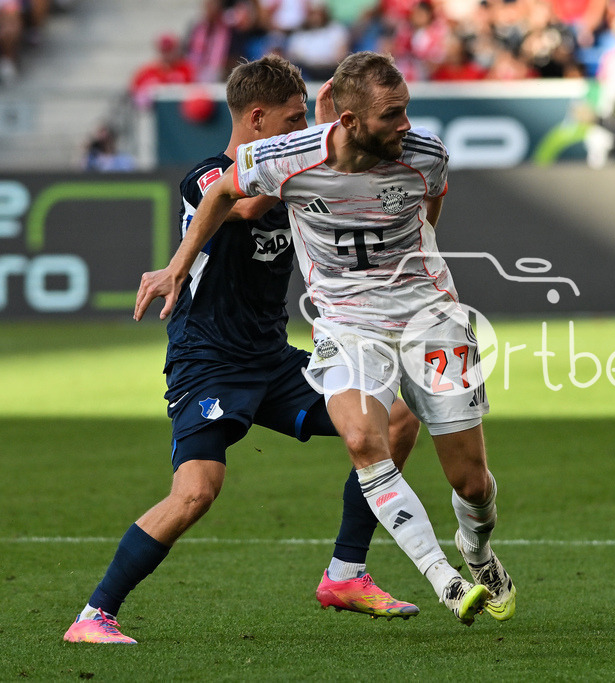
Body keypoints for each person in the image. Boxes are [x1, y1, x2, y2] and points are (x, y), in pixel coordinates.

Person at [133, 51, 516, 626]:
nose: (406, 125)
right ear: (352, 120)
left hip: (429, 318)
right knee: (362, 439)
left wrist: (416, 251)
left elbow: (431, 200)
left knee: (471, 481)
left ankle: (476, 550)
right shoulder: (276, 160)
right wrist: (176, 266)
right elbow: (228, 196)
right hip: (334, 325)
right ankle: (440, 578)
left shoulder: (426, 155)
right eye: (393, 114)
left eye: (407, 111)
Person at [64, 54, 422, 645]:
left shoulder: (298, 166)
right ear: (256, 119)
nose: (302, 131)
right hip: (207, 362)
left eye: (307, 119)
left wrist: (346, 134)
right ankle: (93, 616)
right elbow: (248, 200)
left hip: (273, 361)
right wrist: (326, 138)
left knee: (398, 416)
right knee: (197, 491)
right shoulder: (205, 176)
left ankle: (345, 573)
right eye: (292, 121)